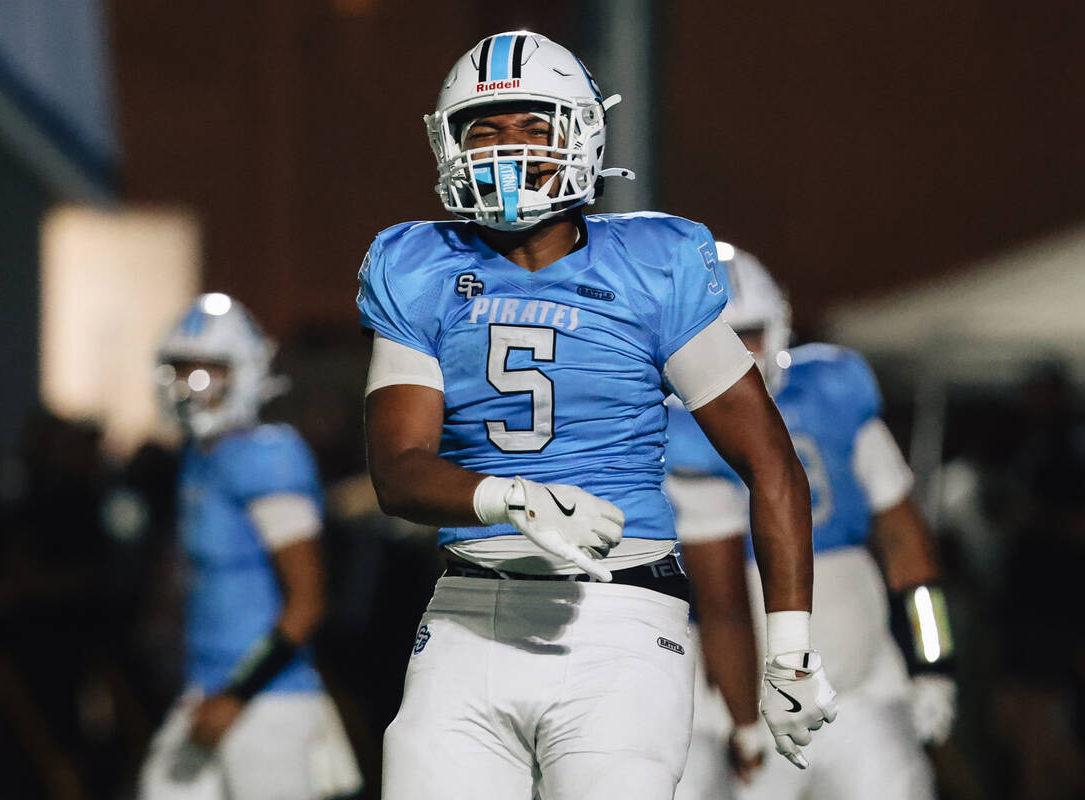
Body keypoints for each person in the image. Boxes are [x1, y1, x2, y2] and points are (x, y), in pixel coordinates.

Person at [356, 31, 835, 800]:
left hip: (618, 618)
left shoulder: (651, 265)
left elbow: (769, 459)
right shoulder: (419, 266)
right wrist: (509, 497)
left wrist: (792, 650)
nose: (504, 149)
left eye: (531, 125)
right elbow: (399, 469)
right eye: (483, 129)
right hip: (465, 613)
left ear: (581, 133)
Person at [666, 248, 957, 800]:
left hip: (864, 690)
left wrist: (935, 663)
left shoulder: (834, 392)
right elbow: (720, 600)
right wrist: (739, 722)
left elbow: (906, 545)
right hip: (742, 706)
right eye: (717, 338)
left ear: (778, 323)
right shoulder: (673, 434)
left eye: (746, 333)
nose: (737, 357)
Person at [138, 293, 363, 800]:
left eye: (207, 371)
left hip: (266, 700)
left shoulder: (268, 456)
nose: (189, 387)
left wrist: (237, 695)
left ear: (242, 372)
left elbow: (307, 601)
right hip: (205, 685)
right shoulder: (200, 457)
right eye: (180, 370)